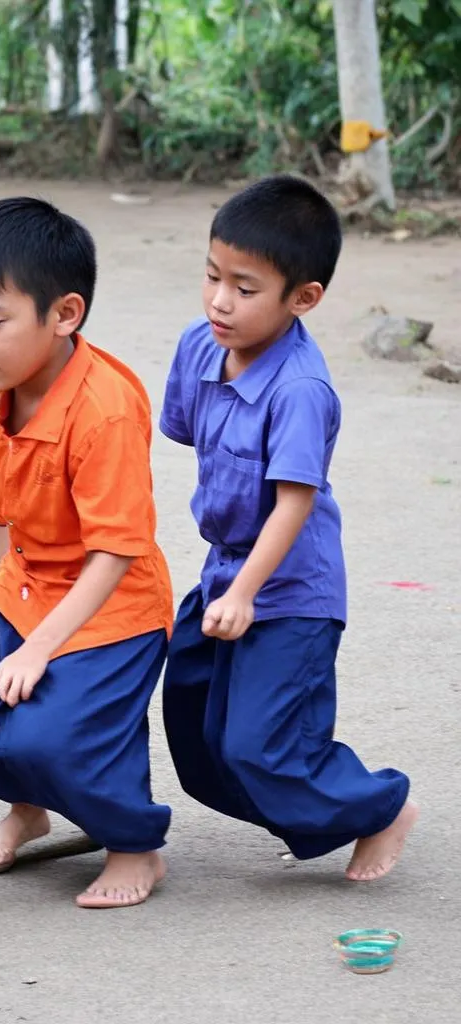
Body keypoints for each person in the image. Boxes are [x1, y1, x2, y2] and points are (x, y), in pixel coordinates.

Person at [0, 197, 174, 909]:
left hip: (112, 609)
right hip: (29, 591)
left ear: (65, 314)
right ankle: (30, 809)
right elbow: (5, 505)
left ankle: (135, 844)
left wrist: (38, 650)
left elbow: (117, 552)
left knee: (47, 741)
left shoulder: (105, 410)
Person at [159, 174, 417, 881]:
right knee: (196, 730)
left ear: (302, 298)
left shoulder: (301, 389)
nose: (219, 300)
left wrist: (244, 593)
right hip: (226, 570)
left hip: (290, 590)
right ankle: (312, 808)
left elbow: (294, 502)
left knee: (257, 744)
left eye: (245, 288)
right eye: (213, 276)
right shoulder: (199, 344)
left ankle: (380, 808)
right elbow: (188, 437)